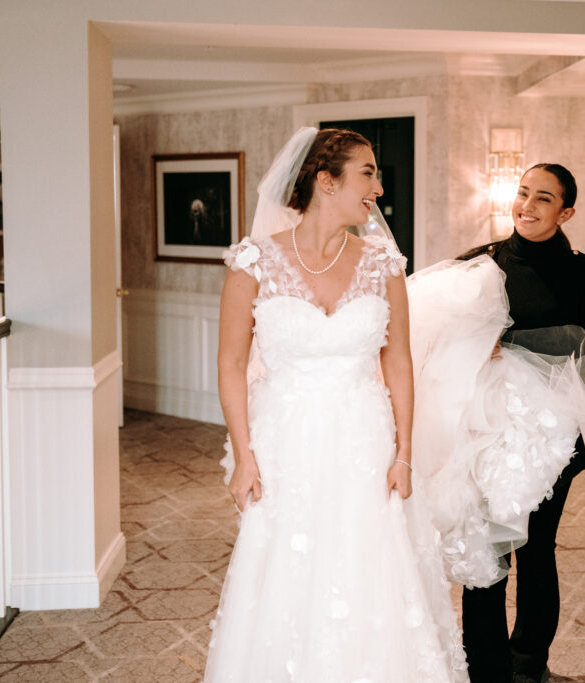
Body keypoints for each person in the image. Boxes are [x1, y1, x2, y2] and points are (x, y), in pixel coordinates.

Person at [204, 127, 467, 682]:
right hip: (285, 441)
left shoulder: (382, 264)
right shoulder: (252, 263)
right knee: (285, 572)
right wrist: (245, 456)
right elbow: (230, 365)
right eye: (367, 173)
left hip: (363, 441)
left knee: (369, 569)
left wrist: (403, 452)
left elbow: (398, 364)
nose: (376, 185)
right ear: (327, 181)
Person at [457, 163, 585, 683]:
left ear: (566, 211)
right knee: (486, 549)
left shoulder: (581, 271)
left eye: (543, 199)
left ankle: (529, 662)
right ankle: (485, 669)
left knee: (536, 550)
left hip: (553, 433)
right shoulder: (480, 263)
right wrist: (472, 345)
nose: (527, 206)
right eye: (523, 194)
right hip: (489, 427)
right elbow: (435, 340)